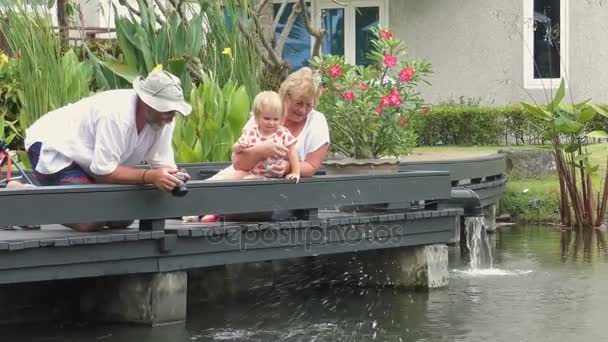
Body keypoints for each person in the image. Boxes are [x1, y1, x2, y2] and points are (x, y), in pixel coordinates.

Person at [21, 70, 192, 232]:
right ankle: (23, 197)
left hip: (88, 159)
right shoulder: (116, 115)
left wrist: (173, 176)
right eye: (167, 110)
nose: (171, 116)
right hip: (53, 145)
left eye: (174, 111)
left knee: (123, 218)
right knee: (90, 219)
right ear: (147, 103)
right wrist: (150, 176)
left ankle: (55, 199)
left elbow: (161, 161)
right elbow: (103, 173)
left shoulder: (164, 119)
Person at [187, 67, 330, 223]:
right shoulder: (264, 114)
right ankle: (192, 211)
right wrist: (260, 151)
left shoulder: (316, 122)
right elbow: (238, 163)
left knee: (250, 189)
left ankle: (216, 213)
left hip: (286, 190)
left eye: (309, 105)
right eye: (298, 103)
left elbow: (312, 165)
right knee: (221, 180)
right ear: (285, 98)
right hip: (251, 171)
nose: (303, 110)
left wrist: (288, 167)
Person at [211, 90, 301, 182]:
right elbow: (235, 149)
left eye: (276, 119)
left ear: (281, 118)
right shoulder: (251, 132)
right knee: (230, 179)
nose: (271, 123)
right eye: (267, 118)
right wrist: (240, 146)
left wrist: (295, 172)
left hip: (272, 175)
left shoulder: (282, 133)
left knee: (249, 181)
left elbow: (292, 153)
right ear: (257, 117)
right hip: (251, 172)